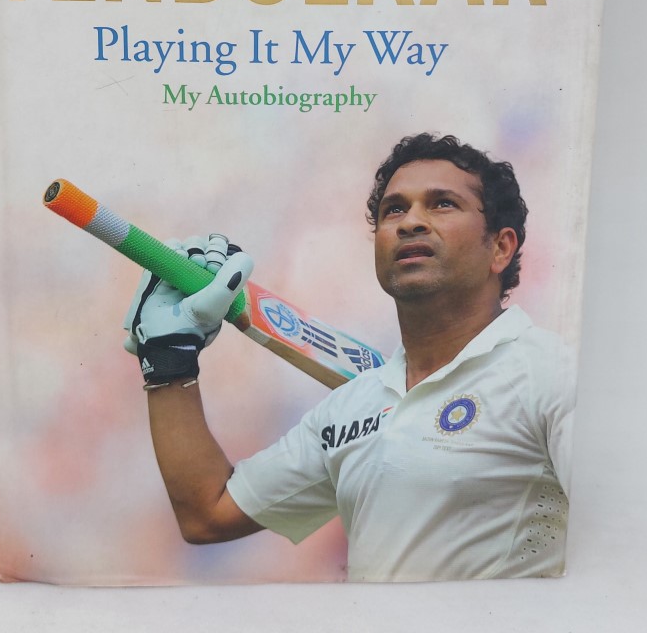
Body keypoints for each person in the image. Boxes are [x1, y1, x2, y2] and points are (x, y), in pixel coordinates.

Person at [123, 133, 574, 582]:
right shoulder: (351, 405)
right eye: (394, 209)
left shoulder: (552, 374)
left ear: (500, 247)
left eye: (442, 204)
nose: (411, 222)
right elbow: (208, 514)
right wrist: (168, 359)